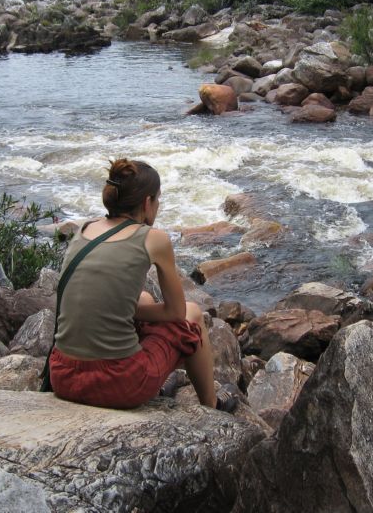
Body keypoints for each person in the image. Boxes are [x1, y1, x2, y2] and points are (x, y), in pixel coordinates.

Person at [48, 158, 238, 412]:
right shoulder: (154, 239)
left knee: (145, 299)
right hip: (118, 384)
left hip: (62, 376)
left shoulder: (86, 228)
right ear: (147, 203)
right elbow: (175, 312)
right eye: (157, 200)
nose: (158, 206)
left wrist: (130, 310)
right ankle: (210, 407)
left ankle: (158, 382)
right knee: (192, 314)